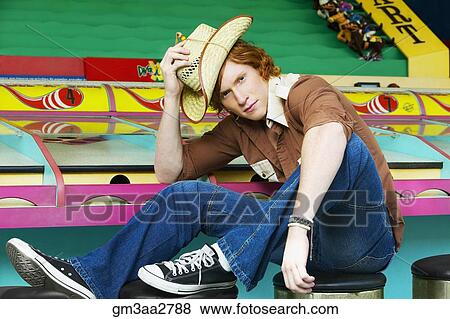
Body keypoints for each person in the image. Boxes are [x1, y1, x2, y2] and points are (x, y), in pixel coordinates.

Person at [5, 15, 404, 299]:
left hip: (362, 241)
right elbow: (169, 171)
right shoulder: (239, 126)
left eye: (242, 79)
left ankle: (220, 259)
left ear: (262, 67)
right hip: (299, 246)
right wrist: (172, 94)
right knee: (186, 196)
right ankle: (90, 277)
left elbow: (331, 134)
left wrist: (299, 229)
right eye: (226, 93)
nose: (240, 97)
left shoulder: (307, 90)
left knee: (338, 143)